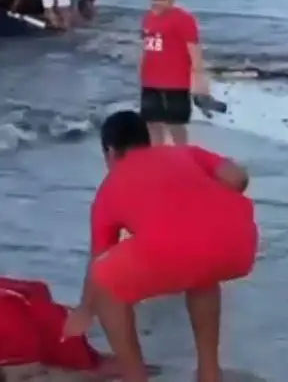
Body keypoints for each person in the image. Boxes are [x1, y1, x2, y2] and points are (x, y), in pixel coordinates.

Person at [62, 110, 258, 382]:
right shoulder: (186, 153)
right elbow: (237, 177)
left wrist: (84, 310)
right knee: (201, 271)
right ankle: (209, 372)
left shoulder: (109, 188)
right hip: (238, 243)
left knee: (106, 283)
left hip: (180, 251)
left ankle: (135, 376)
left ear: (110, 152)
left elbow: (99, 259)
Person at [139, 0, 208, 145]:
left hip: (176, 82)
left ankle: (181, 157)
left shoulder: (184, 19)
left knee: (175, 125)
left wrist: (199, 80)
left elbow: (194, 50)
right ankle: (158, 157)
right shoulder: (148, 17)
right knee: (152, 123)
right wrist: (140, 70)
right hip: (150, 80)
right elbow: (146, 46)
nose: (157, 3)